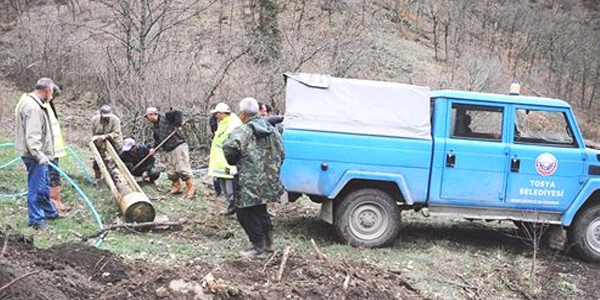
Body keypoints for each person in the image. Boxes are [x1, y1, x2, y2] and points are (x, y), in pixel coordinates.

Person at [222, 97, 285, 258]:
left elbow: (229, 147)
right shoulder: (273, 131)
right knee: (260, 209)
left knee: (244, 213)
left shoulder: (244, 131)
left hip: (248, 180)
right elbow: (282, 153)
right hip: (269, 179)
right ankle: (269, 245)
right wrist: (271, 170)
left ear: (243, 114)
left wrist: (235, 162)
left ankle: (258, 248)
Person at [14, 78, 61, 230]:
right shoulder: (33, 107)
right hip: (34, 156)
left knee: (43, 186)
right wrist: (39, 155)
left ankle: (50, 213)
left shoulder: (31, 102)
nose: (52, 96)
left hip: (37, 154)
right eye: (52, 93)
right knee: (36, 187)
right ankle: (36, 220)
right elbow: (33, 136)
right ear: (47, 90)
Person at [145, 107, 195, 199]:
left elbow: (178, 113)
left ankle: (191, 189)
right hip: (167, 149)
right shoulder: (155, 127)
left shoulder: (166, 117)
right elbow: (157, 140)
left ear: (152, 114)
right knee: (171, 170)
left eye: (148, 116)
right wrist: (154, 148)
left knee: (182, 168)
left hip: (178, 146)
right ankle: (177, 187)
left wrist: (177, 124)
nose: (147, 119)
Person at [207, 102, 242, 216]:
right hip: (220, 162)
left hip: (228, 163)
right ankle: (231, 209)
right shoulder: (223, 122)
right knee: (225, 189)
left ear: (222, 113)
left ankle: (237, 211)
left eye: (217, 114)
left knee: (232, 189)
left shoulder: (233, 124)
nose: (216, 116)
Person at [45, 85, 70, 213]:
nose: (53, 98)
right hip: (48, 149)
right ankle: (54, 202)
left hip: (54, 148)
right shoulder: (42, 106)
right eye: (53, 96)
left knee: (53, 174)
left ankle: (55, 201)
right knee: (52, 175)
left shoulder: (49, 105)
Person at [91, 105, 123, 183]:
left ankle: (117, 179)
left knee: (116, 161)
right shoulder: (95, 120)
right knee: (97, 161)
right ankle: (97, 178)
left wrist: (105, 136)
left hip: (114, 142)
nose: (106, 118)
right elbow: (93, 132)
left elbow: (116, 133)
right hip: (100, 143)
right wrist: (95, 139)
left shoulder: (115, 120)